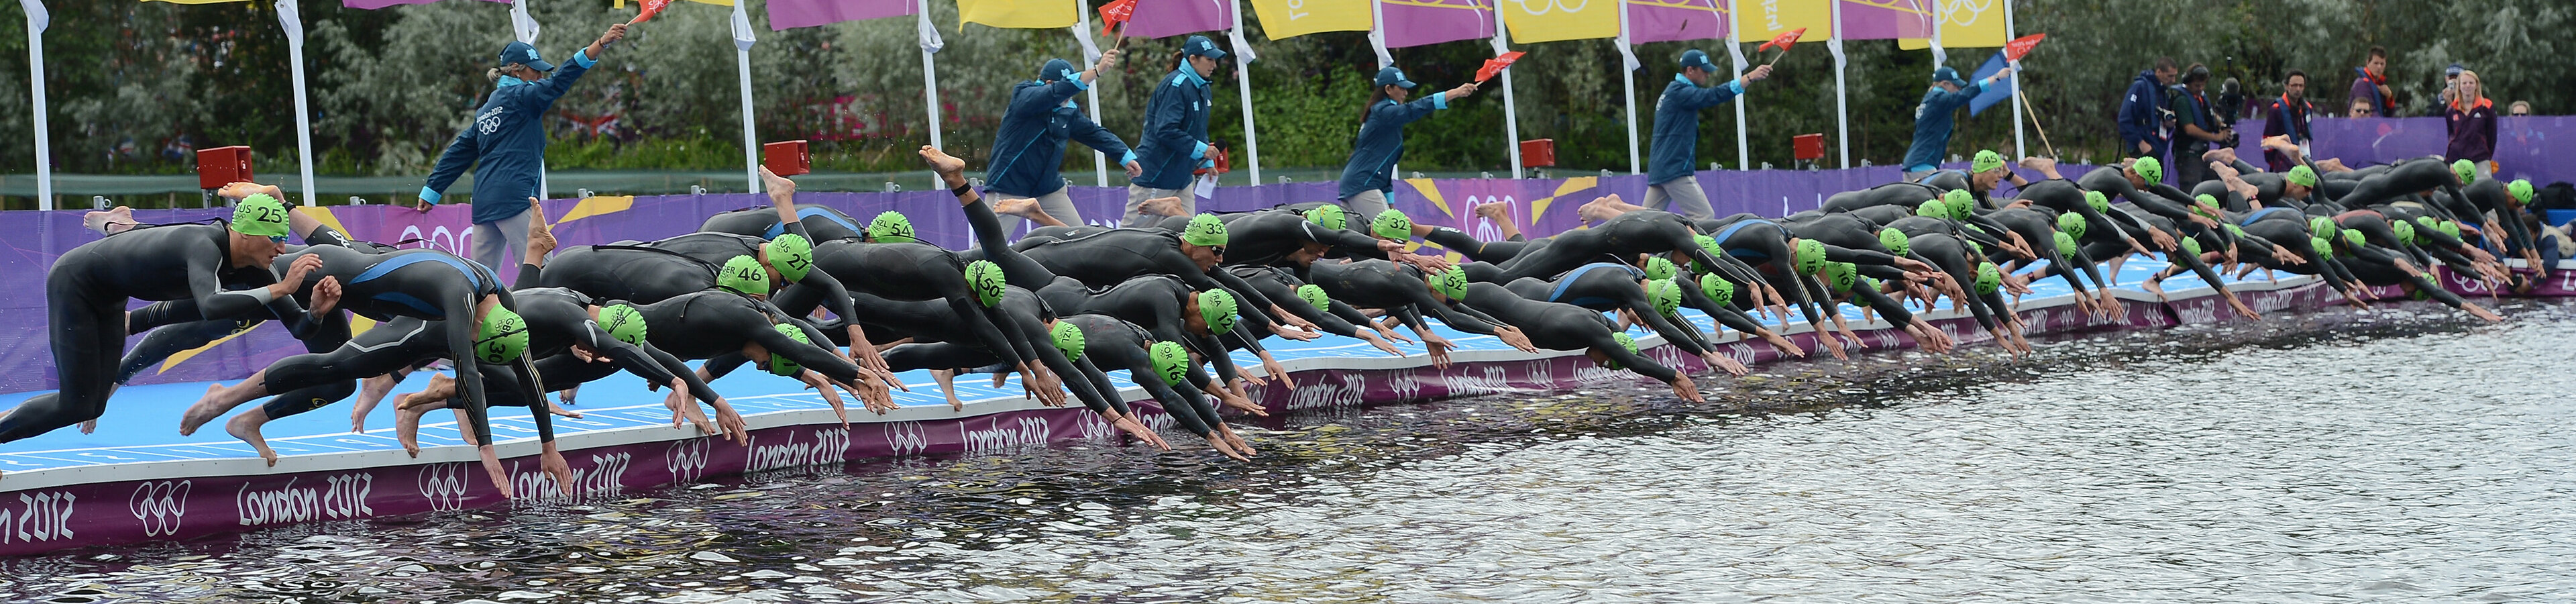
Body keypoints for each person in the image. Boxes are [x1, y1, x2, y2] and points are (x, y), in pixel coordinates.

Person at [0, 195, 338, 446]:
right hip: (76, 283)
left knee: (93, 404)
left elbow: (299, 328)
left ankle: (116, 224)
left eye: (284, 239)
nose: (282, 249)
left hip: (110, 297)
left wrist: (316, 312)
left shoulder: (261, 266)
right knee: (74, 405)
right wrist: (281, 289)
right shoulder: (205, 245)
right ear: (246, 234)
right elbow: (210, 306)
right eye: (275, 238)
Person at [418, 23, 627, 283]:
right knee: (545, 277)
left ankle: (475, 324)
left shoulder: (485, 110)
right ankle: (545, 323)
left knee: (478, 285)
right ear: (517, 69)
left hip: (484, 203)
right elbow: (559, 82)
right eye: (535, 70)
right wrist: (600, 44)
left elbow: (459, 151)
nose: (540, 77)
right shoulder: (523, 96)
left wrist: (431, 191)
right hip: (515, 199)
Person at [985, 52, 1134, 235]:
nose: (1070, 97)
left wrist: (1126, 156)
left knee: (1081, 238)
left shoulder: (1069, 111)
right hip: (1009, 186)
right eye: (1068, 91)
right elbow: (1057, 92)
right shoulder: (1025, 96)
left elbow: (1095, 134)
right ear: (1048, 84)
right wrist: (1098, 70)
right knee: (988, 248)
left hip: (1048, 188)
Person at [1336, 66, 1479, 227]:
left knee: (1365, 242)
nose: (1406, 93)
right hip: (1363, 184)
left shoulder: (1385, 117)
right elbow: (1413, 110)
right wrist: (1453, 93)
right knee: (1392, 235)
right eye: (1402, 88)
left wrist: (1390, 205)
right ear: (1388, 89)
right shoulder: (1383, 112)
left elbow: (1385, 169)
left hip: (1359, 184)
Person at [1646, 49, 1772, 219]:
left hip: (1661, 168)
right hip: (1674, 168)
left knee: (1644, 220)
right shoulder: (1680, 92)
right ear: (1690, 70)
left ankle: (1612, 214)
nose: (1708, 75)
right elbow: (1711, 96)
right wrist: (1747, 78)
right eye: (1704, 71)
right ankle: (1689, 248)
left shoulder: (1674, 91)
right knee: (1704, 215)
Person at [1124, 35, 1226, 227]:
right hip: (1156, 177)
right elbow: (1166, 130)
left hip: (1182, 178)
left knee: (1191, 239)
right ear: (1193, 59)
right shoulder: (1176, 86)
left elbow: (1199, 130)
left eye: (1215, 59)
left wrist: (1208, 160)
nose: (1214, 65)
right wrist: (1201, 150)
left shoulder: (1203, 86)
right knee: (1131, 242)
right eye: (1209, 59)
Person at [1900, 65, 2012, 181]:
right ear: (1945, 84)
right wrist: (1996, 77)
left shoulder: (1930, 100)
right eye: (1956, 86)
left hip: (1914, 163)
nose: (1958, 89)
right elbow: (1966, 94)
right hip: (1923, 164)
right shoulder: (1938, 100)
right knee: (1943, 198)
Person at [2168, 64, 2231, 191]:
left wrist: (2220, 124)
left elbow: (2209, 117)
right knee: (2193, 191)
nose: (2201, 88)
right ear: (2188, 82)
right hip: (2188, 155)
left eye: (2203, 85)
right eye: (2197, 85)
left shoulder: (2200, 98)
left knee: (2212, 189)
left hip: (2203, 153)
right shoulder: (2182, 101)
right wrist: (2216, 137)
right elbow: (2189, 129)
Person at [2116, 57, 2178, 178]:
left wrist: (2169, 124)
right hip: (2142, 150)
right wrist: (2141, 143)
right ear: (2159, 72)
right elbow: (2124, 120)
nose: (2173, 80)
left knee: (2156, 193)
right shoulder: (2140, 87)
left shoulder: (2163, 93)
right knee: (2140, 190)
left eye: (2175, 76)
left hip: (2157, 150)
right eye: (2170, 76)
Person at [2445, 70, 2497, 180]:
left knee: (2481, 191)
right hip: (2457, 159)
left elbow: (2492, 135)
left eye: (2471, 83)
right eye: (2464, 83)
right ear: (2459, 87)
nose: (2468, 86)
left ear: (2476, 85)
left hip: (2480, 158)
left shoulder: (2487, 107)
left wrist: (2486, 154)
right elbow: (2451, 134)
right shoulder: (2451, 110)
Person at [2262, 70, 2316, 171]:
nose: (2298, 89)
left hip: (2304, 158)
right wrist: (2275, 164)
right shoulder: (2276, 109)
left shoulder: (2307, 108)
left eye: (2301, 86)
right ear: (2286, 86)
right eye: (2294, 85)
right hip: (2282, 163)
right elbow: (2267, 140)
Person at [2350, 46, 2396, 119]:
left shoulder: (2379, 84)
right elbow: (2370, 114)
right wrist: (2387, 130)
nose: (2379, 67)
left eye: (2382, 64)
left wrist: (2389, 98)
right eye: (2376, 63)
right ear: (2368, 63)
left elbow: (2389, 115)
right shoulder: (2362, 84)